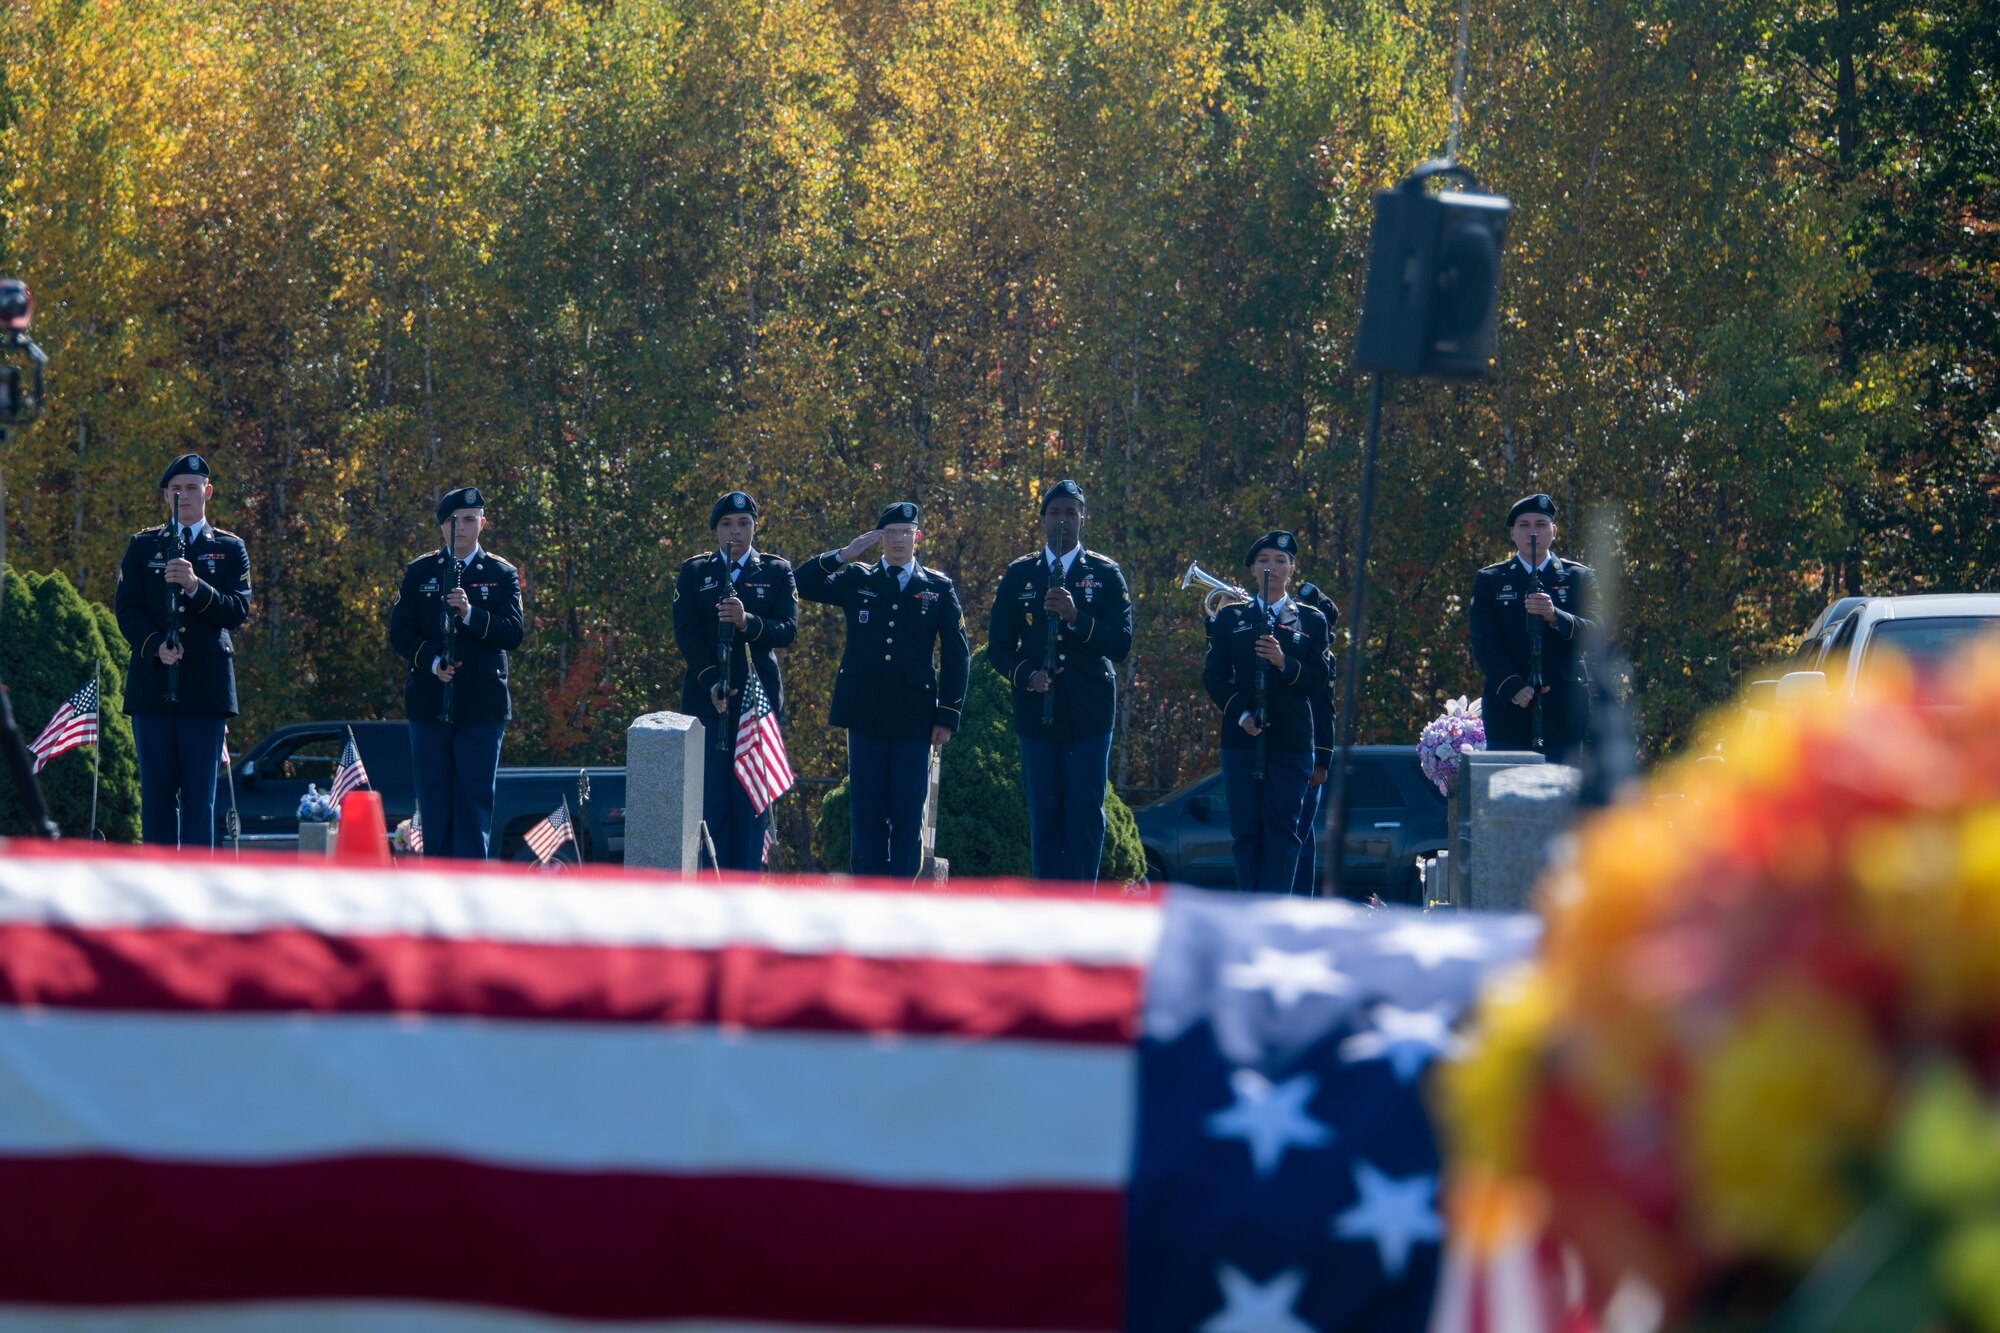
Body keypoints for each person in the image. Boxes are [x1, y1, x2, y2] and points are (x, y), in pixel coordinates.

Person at [796, 501, 970, 879]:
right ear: (879, 539)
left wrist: (948, 715)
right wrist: (844, 554)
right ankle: (867, 898)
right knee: (867, 812)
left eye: (906, 533)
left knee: (908, 815)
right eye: (890, 533)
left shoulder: (937, 587)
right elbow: (801, 583)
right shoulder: (858, 578)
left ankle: (901, 900)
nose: (898, 540)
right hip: (865, 713)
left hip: (914, 718)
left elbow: (958, 655)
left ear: (917, 538)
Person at [985, 480, 1133, 885]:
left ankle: (1082, 908)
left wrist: (1075, 618)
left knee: (1085, 813)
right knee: (1044, 814)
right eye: (1055, 512)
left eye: (1071, 512)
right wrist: (1028, 677)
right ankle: (1046, 910)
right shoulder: (1020, 575)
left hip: (1088, 715)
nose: (1063, 520)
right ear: (1043, 519)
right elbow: (999, 647)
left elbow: (1121, 644)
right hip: (1037, 714)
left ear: (1083, 518)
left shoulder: (1104, 573)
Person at [114, 453, 251, 849]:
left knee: (199, 800)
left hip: (204, 689)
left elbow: (237, 609)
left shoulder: (229, 548)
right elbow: (128, 609)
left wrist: (195, 587)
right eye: (176, 489)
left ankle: (195, 894)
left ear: (207, 492)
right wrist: (156, 646)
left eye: (192, 487)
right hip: (153, 686)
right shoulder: (143, 546)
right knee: (156, 798)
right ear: (166, 496)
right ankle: (156, 892)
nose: (184, 495)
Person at [387, 486, 524, 858]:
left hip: (481, 707)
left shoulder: (500, 573)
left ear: (482, 523)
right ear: (442, 527)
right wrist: (433, 662)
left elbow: (513, 632)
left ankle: (469, 896)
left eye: (468, 520)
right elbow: (400, 632)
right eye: (452, 521)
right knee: (434, 804)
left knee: (473, 803)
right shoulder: (421, 571)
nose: (459, 528)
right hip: (430, 704)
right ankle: (437, 895)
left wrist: (470, 614)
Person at [671, 489, 798, 871]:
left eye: (744, 524)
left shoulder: (776, 571)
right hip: (708, 702)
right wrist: (712, 681)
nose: (735, 532)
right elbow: (686, 632)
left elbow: (787, 630)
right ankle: (711, 889)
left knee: (749, 806)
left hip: (754, 709)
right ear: (715, 530)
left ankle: (745, 890)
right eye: (727, 524)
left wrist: (748, 622)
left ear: (754, 527)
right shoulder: (695, 571)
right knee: (711, 806)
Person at [1201, 531, 1330, 893]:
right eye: (1263, 560)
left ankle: (1275, 919)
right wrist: (1242, 715)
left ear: (1292, 569)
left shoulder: (1311, 620)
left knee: (1284, 835)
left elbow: (1319, 681)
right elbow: (1214, 676)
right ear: (1252, 570)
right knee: (1246, 834)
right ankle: (1249, 919)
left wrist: (1284, 662)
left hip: (1291, 744)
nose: (1271, 566)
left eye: (1279, 560)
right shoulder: (1231, 618)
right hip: (1242, 742)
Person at [1469, 492, 1598, 762]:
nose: (1532, 531)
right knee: (1508, 798)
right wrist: (1513, 686)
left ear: (1553, 531)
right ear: (1513, 534)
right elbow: (1484, 642)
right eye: (1524, 525)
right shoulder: (1491, 579)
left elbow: (1599, 634)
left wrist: (1555, 616)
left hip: (1564, 713)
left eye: (1540, 524)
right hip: (1509, 713)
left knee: (1564, 798)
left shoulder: (1579, 578)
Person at [1289, 579, 1341, 898]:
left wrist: (1321, 759)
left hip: (1306, 753)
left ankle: (1297, 904)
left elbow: (1324, 710)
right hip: (1289, 746)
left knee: (1299, 840)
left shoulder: (1324, 659)